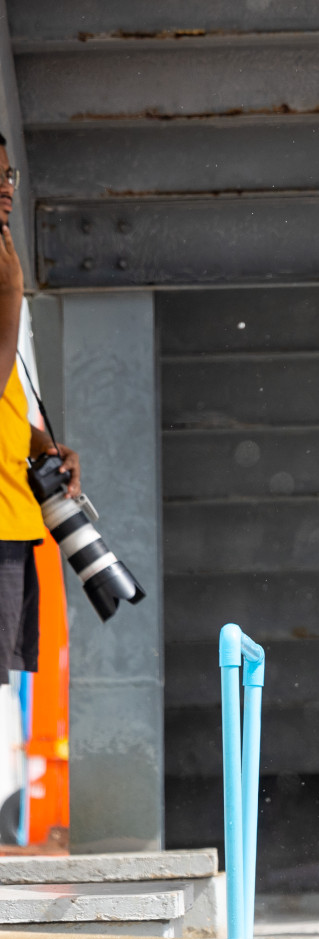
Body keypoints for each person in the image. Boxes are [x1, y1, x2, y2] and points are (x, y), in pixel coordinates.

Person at [0, 134, 80, 681]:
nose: (6, 188)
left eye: (8, 175)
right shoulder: (6, 279)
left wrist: (40, 444)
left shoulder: (2, 257)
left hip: (11, 517)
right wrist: (10, 298)